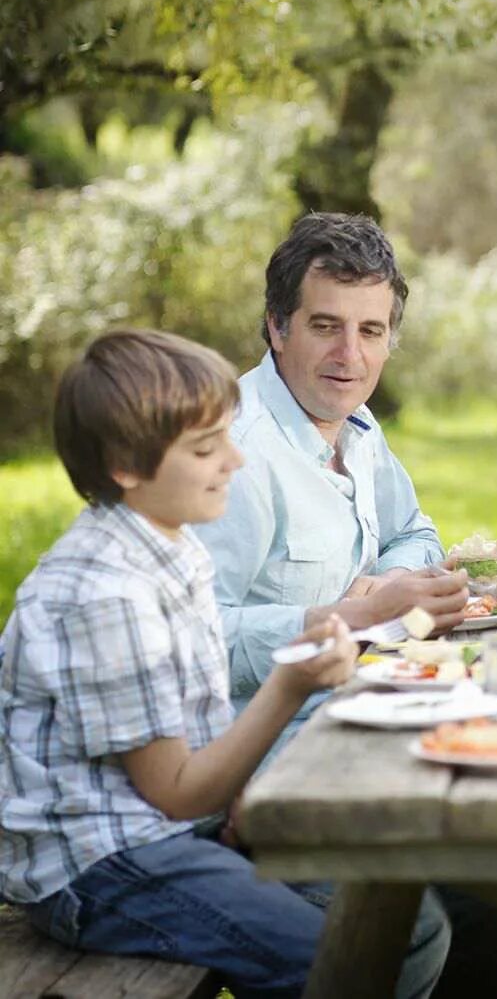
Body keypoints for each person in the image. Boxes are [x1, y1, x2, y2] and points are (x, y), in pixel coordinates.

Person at [0, 329, 449, 999]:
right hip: (102, 867)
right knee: (345, 957)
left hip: (170, 828)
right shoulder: (106, 591)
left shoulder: (168, 545)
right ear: (126, 466)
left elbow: (189, 736)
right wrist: (289, 679)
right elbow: (177, 789)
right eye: (207, 447)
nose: (236, 460)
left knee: (411, 924)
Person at [195, 212, 468, 745]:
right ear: (278, 325)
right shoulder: (236, 453)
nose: (350, 356)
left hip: (357, 704)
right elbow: (193, 638)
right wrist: (351, 618)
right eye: (326, 327)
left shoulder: (356, 425)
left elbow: (415, 532)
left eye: (370, 331)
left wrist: (389, 582)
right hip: (255, 741)